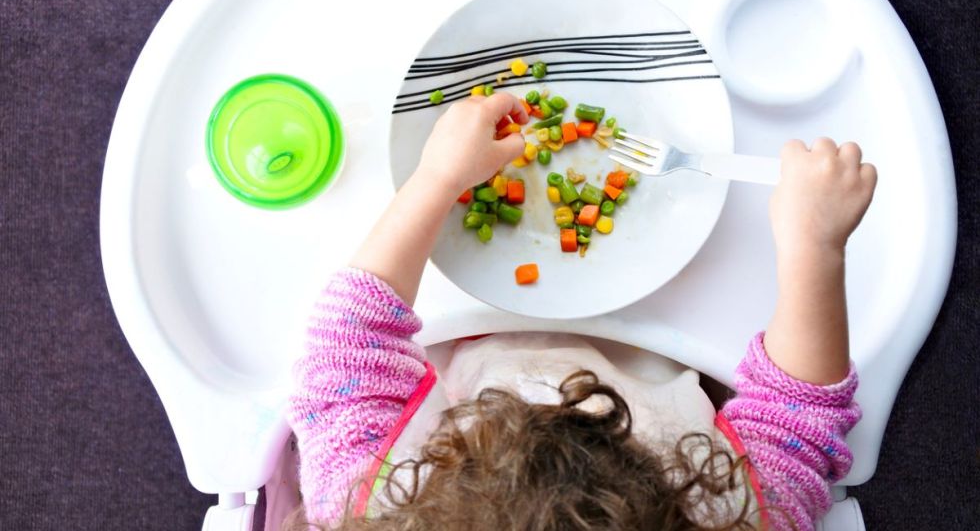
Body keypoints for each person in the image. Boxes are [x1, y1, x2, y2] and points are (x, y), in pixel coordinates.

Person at [286, 92, 877, 530]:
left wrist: (437, 178)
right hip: (661, 345)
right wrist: (814, 247)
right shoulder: (740, 516)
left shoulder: (361, 502)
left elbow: (345, 345)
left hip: (469, 344)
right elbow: (797, 413)